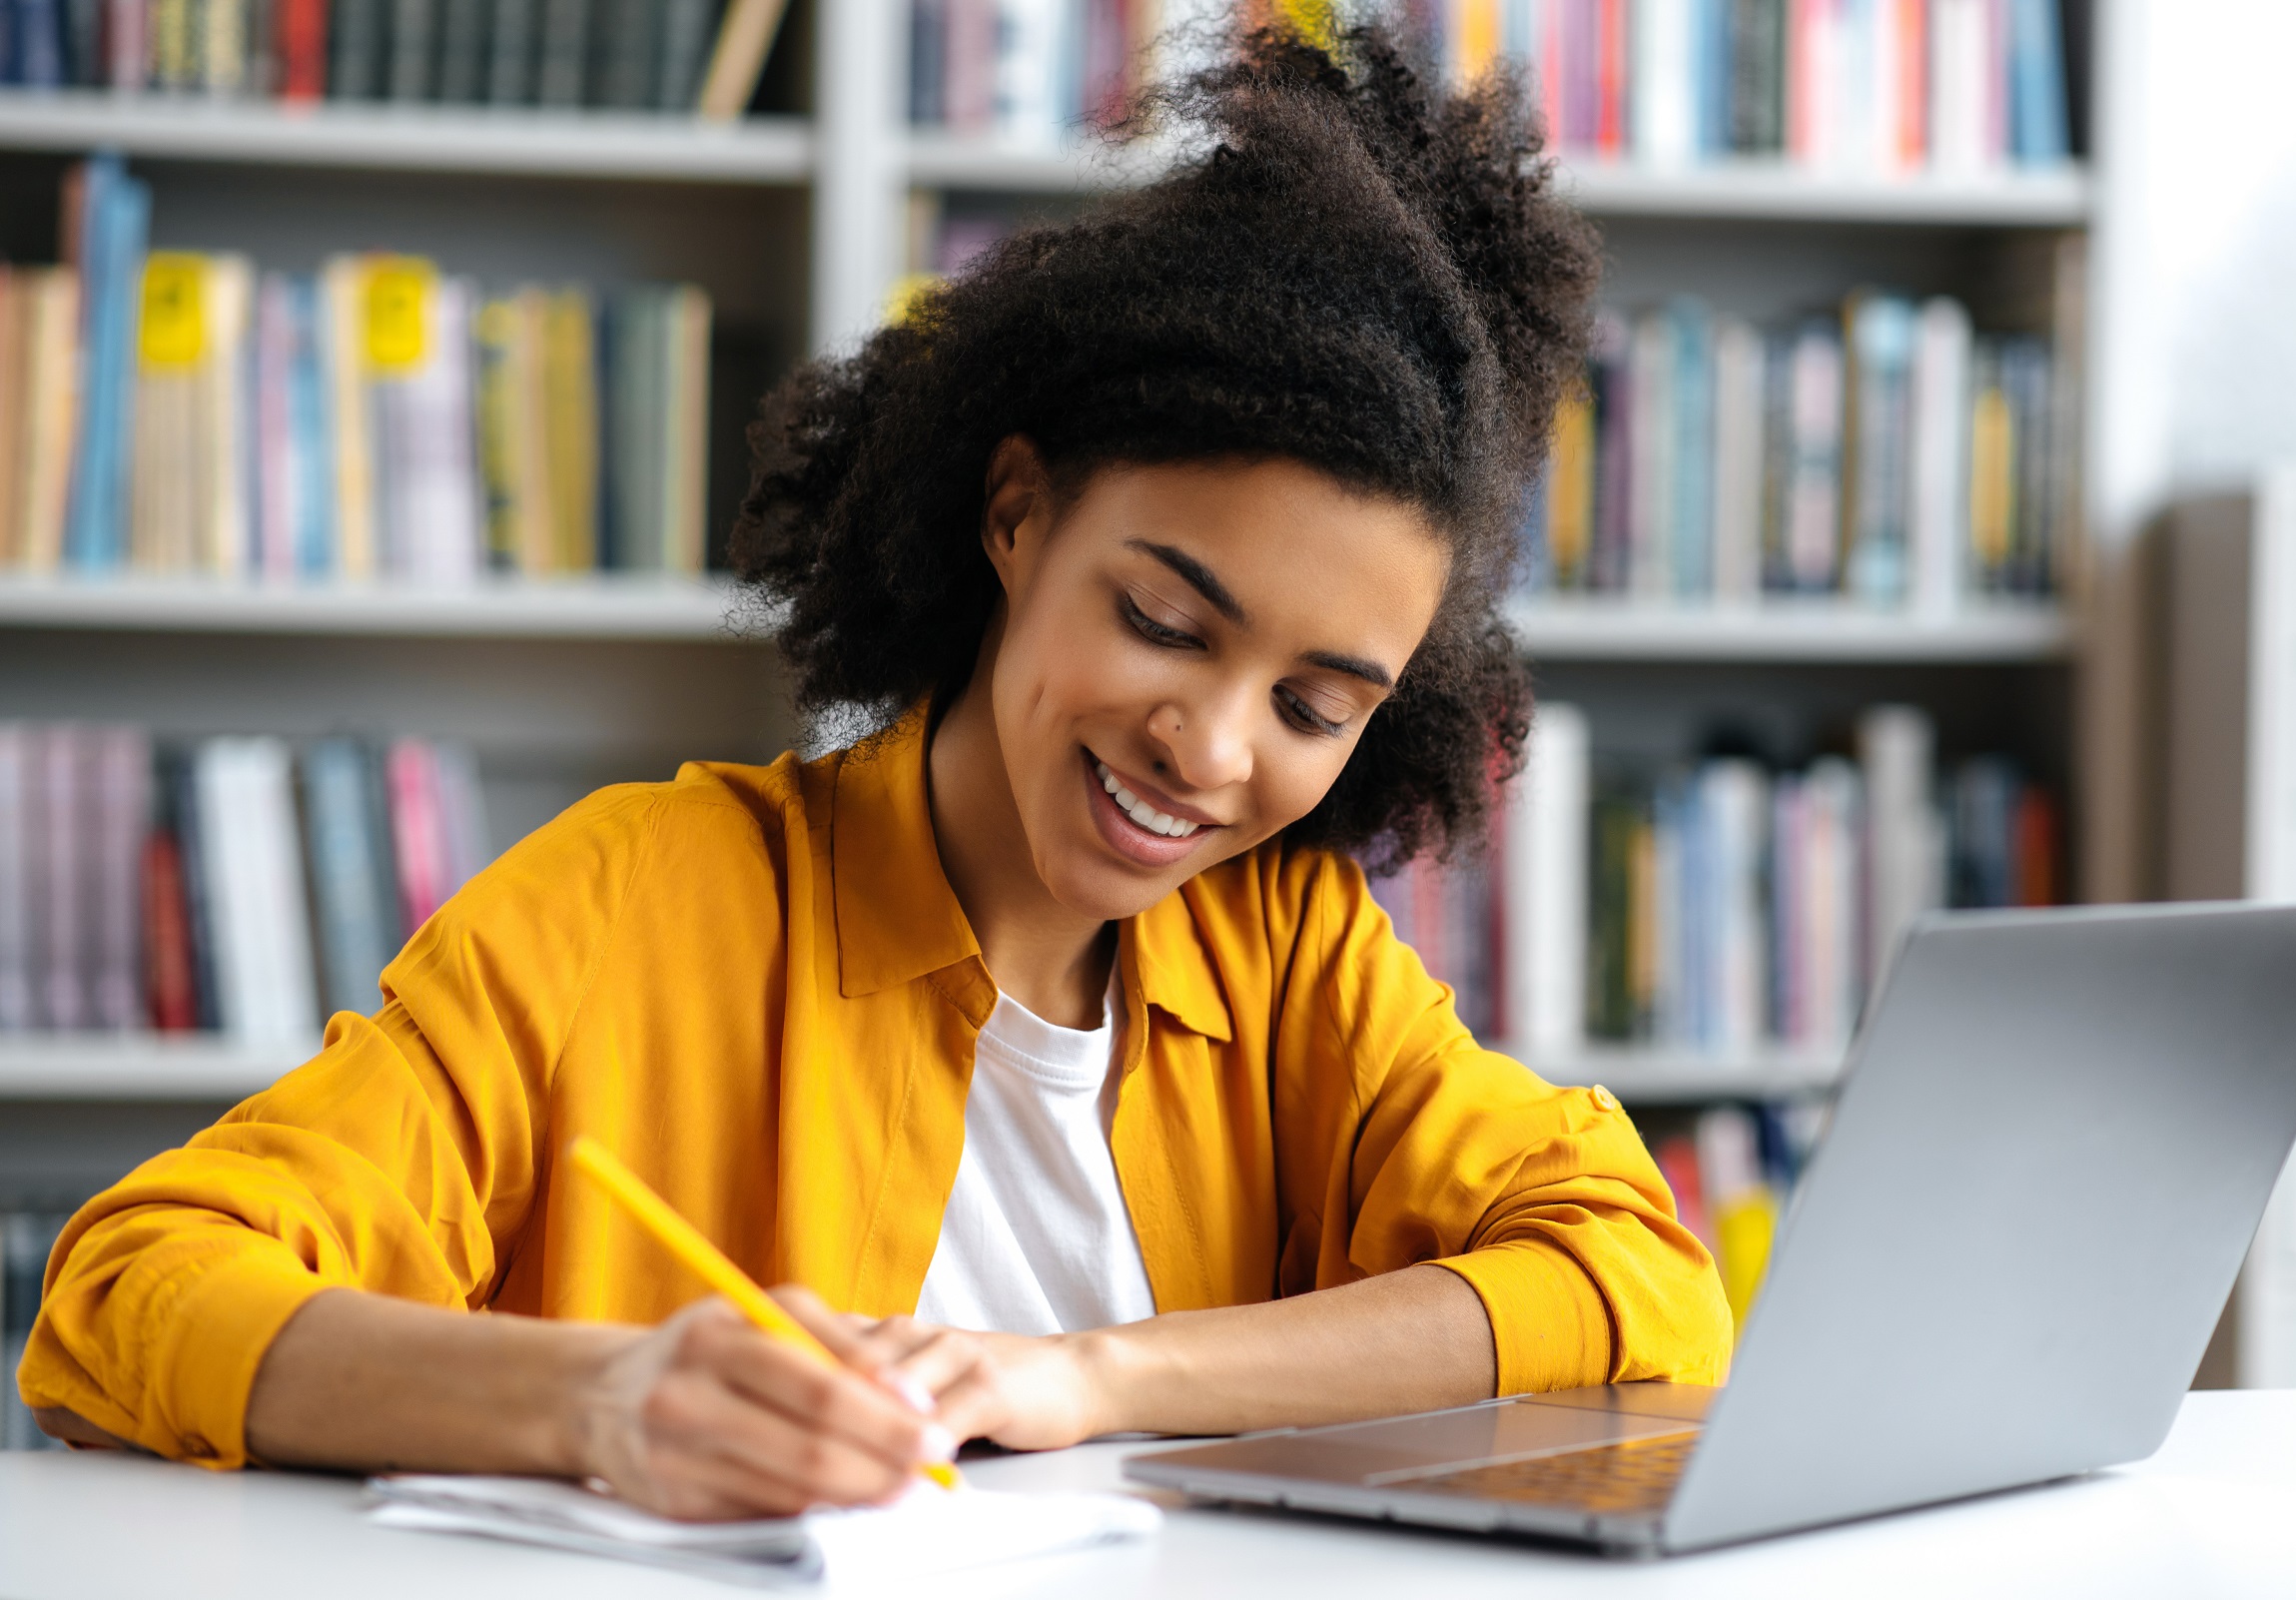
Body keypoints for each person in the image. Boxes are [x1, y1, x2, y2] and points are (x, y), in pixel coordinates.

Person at [20, 19, 1730, 1519]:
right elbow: (129, 1292)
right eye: (1161, 618)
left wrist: (1092, 1377)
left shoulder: (1288, 960)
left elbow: (1637, 1269)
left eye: (1314, 704)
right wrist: (597, 1403)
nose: (1209, 748)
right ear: (1014, 515)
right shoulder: (642, 905)